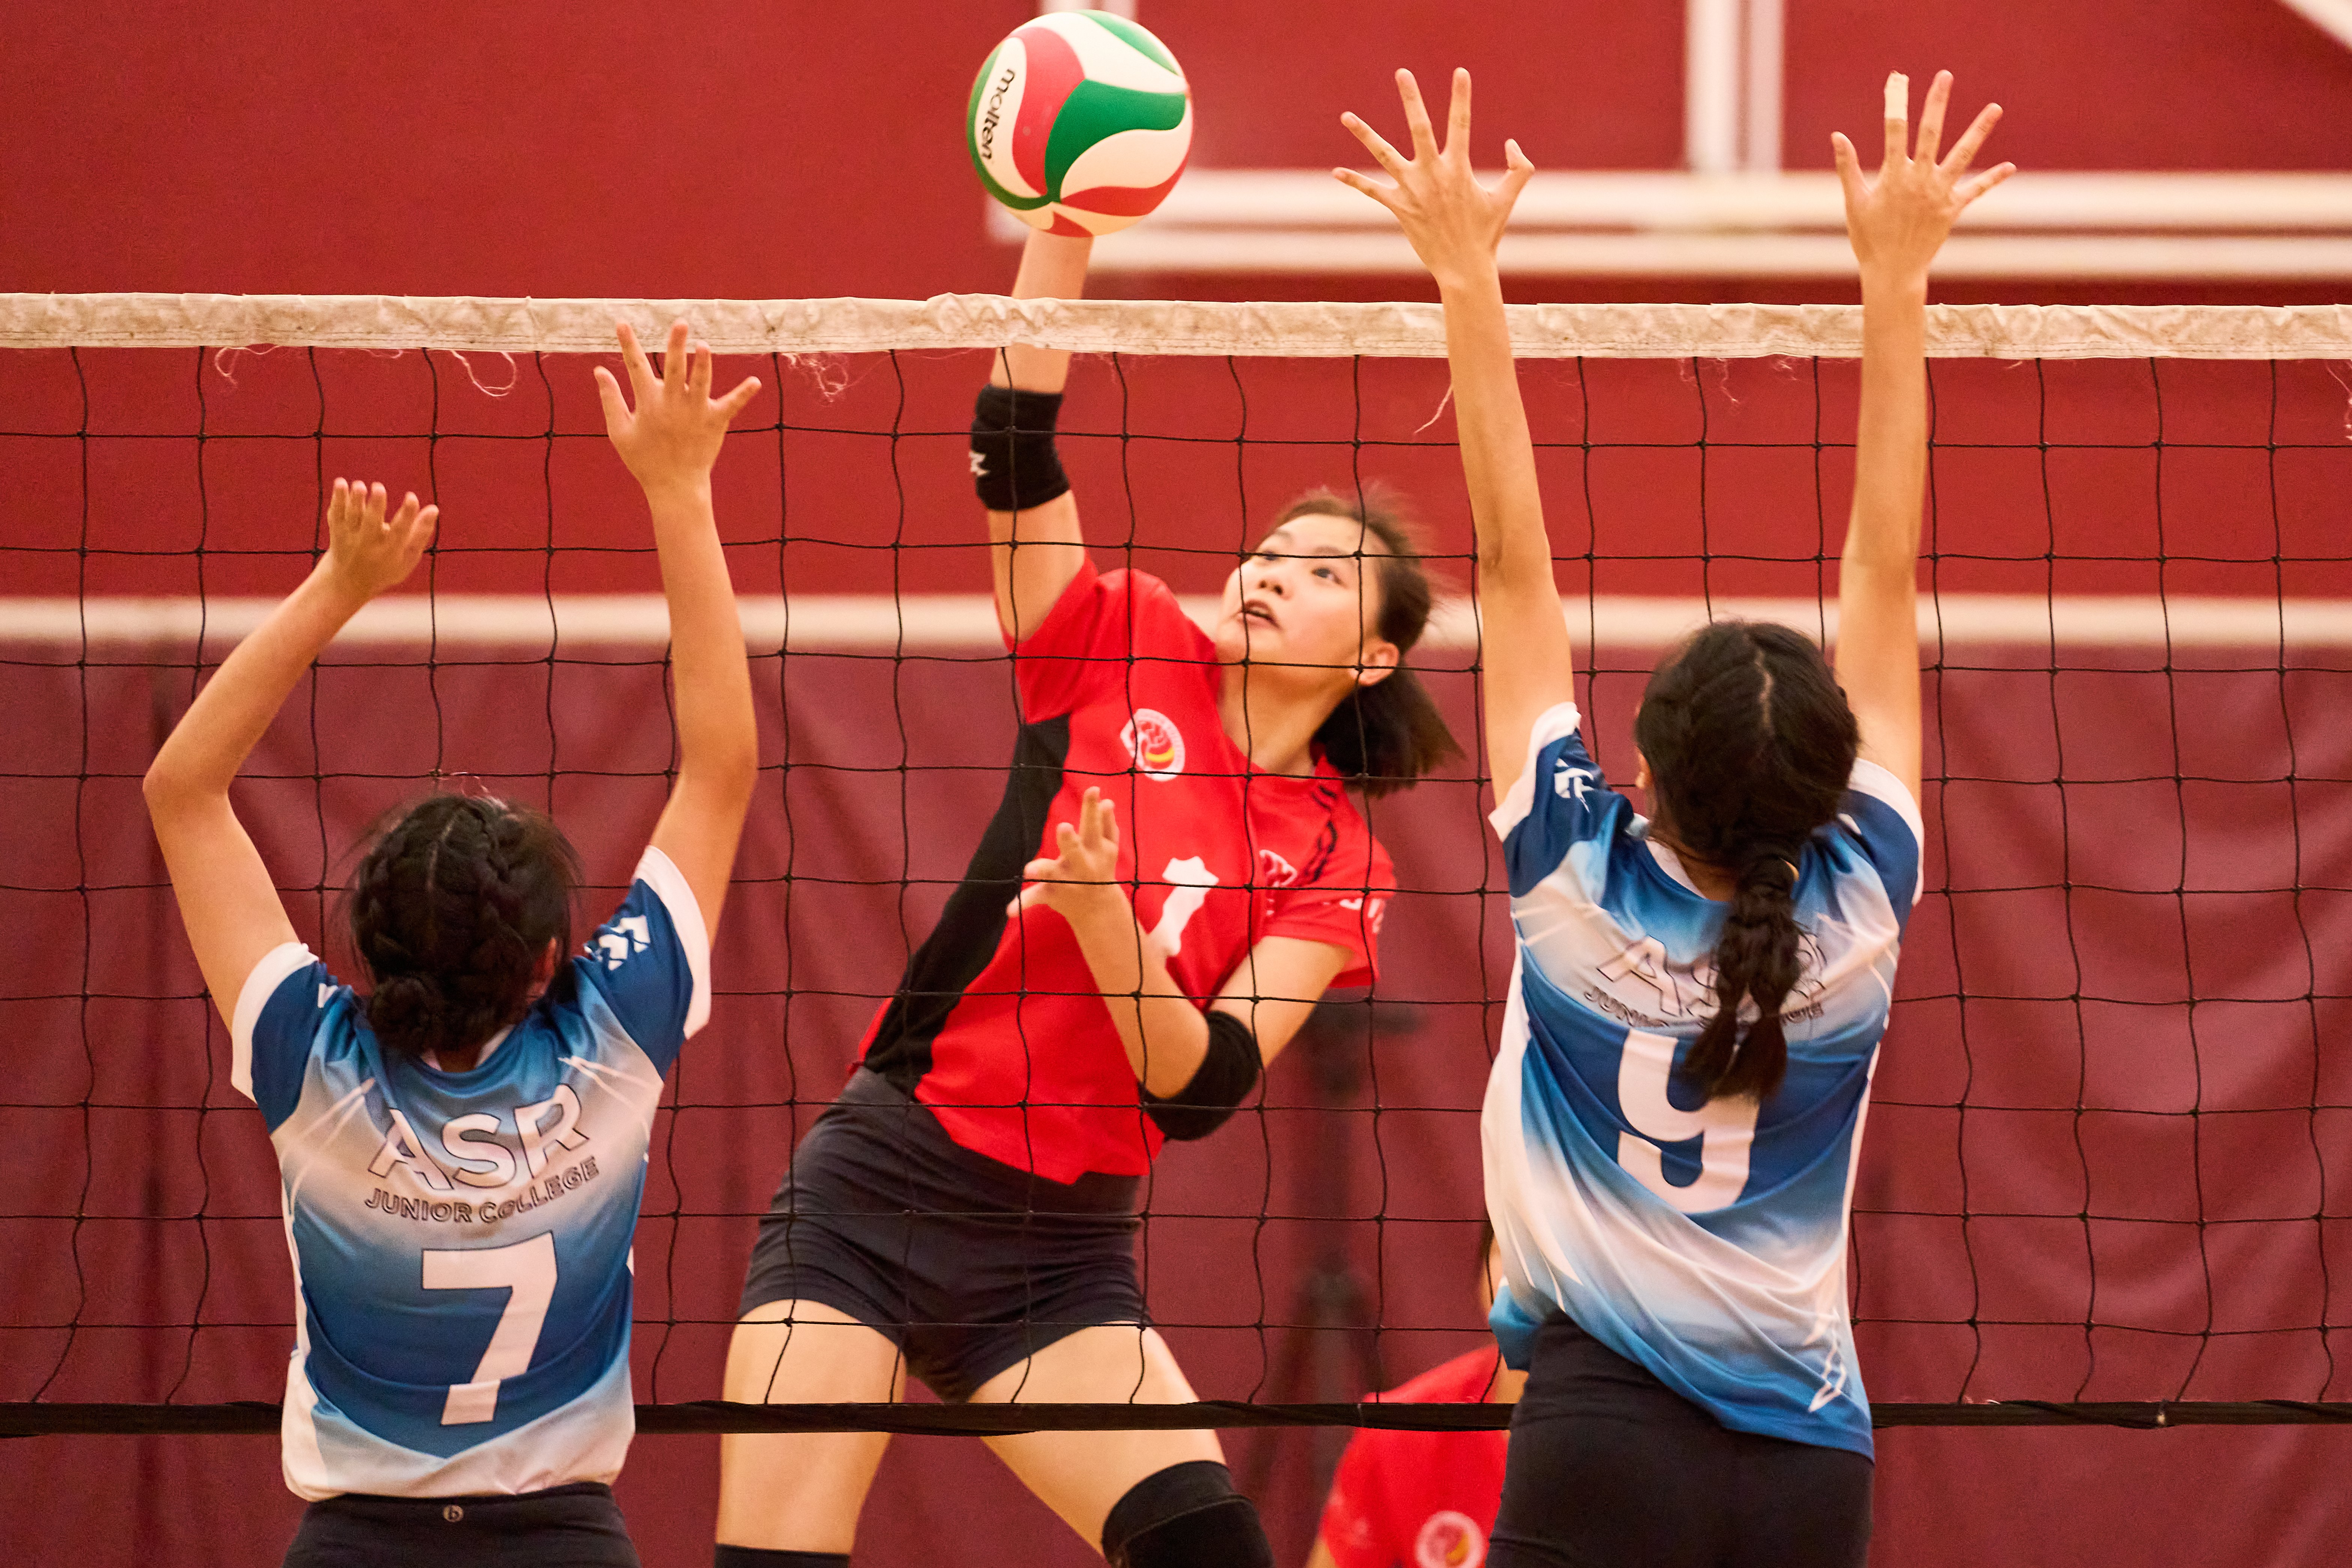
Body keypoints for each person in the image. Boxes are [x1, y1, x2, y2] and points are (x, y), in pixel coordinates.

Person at [1337, 66, 2010, 1568]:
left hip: (1599, 1441)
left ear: (1638, 765)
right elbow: (1887, 579)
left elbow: (1509, 567)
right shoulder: (1862, 904)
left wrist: (1465, 270)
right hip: (1811, 1467)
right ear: (1831, 787)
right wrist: (1897, 282)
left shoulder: (1571, 875)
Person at [713, 229, 1460, 1568]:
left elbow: (1201, 1088)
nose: (1274, 568)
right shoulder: (1119, 631)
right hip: (882, 1182)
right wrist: (1060, 233)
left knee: (1206, 1548)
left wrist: (1107, 929)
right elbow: (1011, 443)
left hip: (1056, 1259)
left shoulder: (1339, 856)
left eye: (1323, 569)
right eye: (1271, 549)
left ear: (1373, 653)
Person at [141, 322, 763, 1567]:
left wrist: (340, 582)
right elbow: (722, 764)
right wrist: (679, 490)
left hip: (357, 1545)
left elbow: (182, 790)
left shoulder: (308, 1060)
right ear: (547, 964)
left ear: (363, 949)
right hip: (566, 1543)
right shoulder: (611, 1037)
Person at [1308, 1225, 1525, 1568]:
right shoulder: (1396, 1430)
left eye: (1548, 1254)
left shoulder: (1638, 1428)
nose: (1527, 1276)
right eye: (1511, 1247)